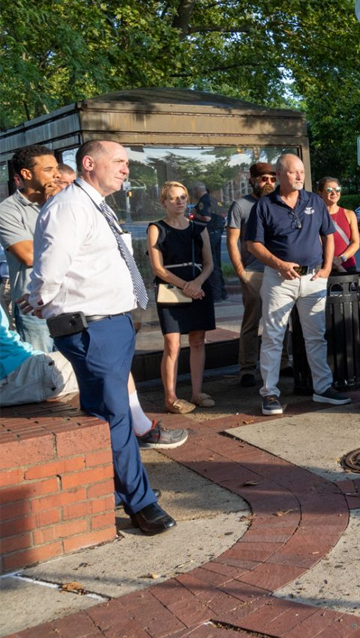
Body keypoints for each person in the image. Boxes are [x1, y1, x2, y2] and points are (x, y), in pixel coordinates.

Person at [22, 140, 178, 535]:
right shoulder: (70, 206)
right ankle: (141, 504)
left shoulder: (90, 202)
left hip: (110, 324)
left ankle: (110, 487)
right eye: (120, 161)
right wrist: (41, 297)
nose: (127, 169)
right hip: (91, 326)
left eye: (128, 162)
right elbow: (52, 262)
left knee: (104, 414)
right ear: (89, 163)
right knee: (114, 415)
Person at [244, 154, 352, 415]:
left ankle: (322, 388)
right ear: (280, 175)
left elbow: (327, 235)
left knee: (316, 336)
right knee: (273, 336)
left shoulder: (314, 201)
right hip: (279, 279)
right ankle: (270, 393)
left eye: (302, 171)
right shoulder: (264, 206)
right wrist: (279, 264)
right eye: (294, 172)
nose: (300, 176)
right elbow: (253, 244)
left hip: (313, 278)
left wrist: (326, 268)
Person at [0, 305, 186, 448]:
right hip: (16, 372)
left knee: (105, 363)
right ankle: (142, 429)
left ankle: (118, 436)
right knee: (110, 358)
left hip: (22, 366)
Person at [147, 181, 215, 413]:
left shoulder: (199, 228)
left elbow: (209, 263)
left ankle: (197, 393)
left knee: (197, 340)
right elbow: (158, 268)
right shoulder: (157, 228)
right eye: (174, 198)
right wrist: (186, 285)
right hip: (171, 289)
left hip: (198, 287)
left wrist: (196, 283)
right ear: (163, 202)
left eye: (183, 197)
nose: (179, 202)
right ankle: (171, 397)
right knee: (172, 343)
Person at [0, 144, 61, 351]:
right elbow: (28, 255)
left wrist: (56, 204)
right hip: (33, 305)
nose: (56, 175)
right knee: (42, 372)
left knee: (74, 373)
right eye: (48, 169)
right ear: (26, 174)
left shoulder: (65, 202)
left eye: (56, 168)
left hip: (68, 301)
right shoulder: (7, 210)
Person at [227, 162, 278, 388]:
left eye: (272, 179)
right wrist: (240, 271)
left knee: (277, 320)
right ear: (253, 179)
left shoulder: (278, 203)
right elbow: (232, 241)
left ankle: (283, 361)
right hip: (253, 271)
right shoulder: (241, 206)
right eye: (264, 178)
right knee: (252, 320)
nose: (268, 183)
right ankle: (247, 368)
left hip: (277, 270)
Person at [190, 182, 227, 301]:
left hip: (209, 234)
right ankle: (222, 292)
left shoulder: (203, 201)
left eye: (193, 192)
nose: (193, 194)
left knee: (210, 264)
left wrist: (195, 214)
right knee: (217, 263)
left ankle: (215, 294)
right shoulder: (214, 200)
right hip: (217, 233)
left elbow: (206, 218)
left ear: (197, 191)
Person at [318, 177, 360, 273]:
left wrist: (341, 259)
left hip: (347, 267)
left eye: (337, 189)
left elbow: (356, 243)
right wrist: (330, 259)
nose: (334, 193)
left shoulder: (349, 214)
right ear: (320, 193)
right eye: (329, 190)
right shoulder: (316, 215)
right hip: (323, 267)